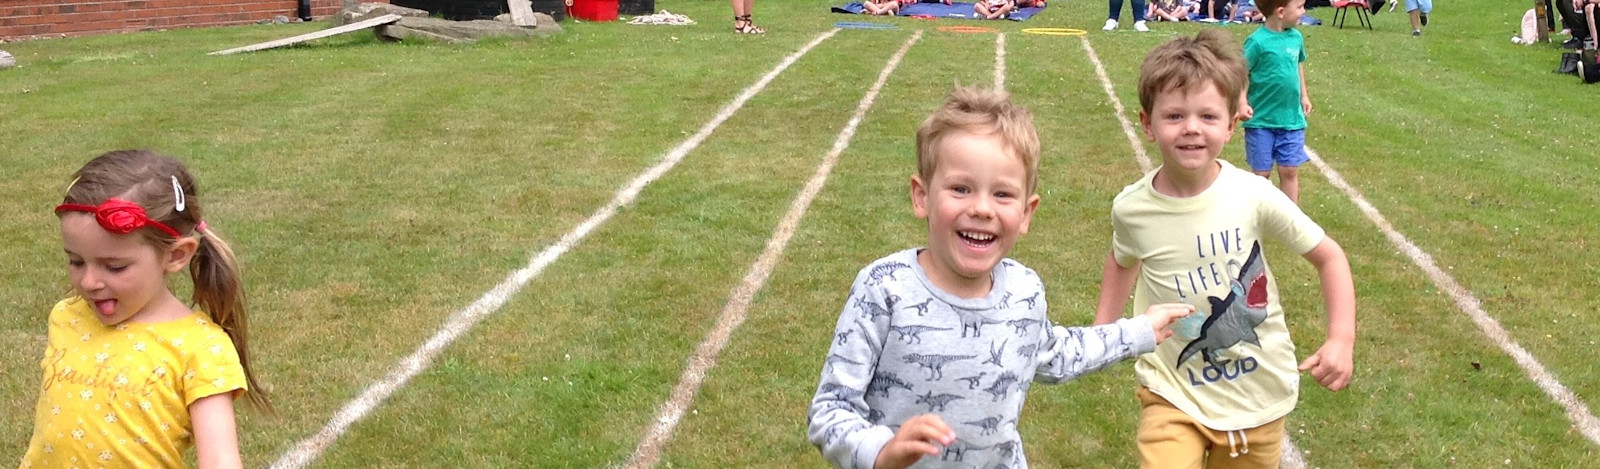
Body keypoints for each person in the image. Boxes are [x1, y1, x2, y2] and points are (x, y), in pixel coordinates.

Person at [806, 86, 1194, 469]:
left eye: (1003, 195)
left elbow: (1058, 353)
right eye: (960, 189)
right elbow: (831, 408)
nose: (981, 209)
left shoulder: (1024, 292)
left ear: (1027, 213)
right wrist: (881, 451)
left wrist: (1139, 330)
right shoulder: (884, 287)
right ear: (922, 196)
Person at [1093, 29, 1355, 468]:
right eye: (1174, 116)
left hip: (1259, 394)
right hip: (1171, 390)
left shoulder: (1253, 194)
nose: (1192, 128)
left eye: (1208, 116)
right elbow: (1122, 261)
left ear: (1232, 125)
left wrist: (1341, 338)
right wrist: (1102, 333)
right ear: (1147, 123)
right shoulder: (1132, 208)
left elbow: (1329, 256)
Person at [20, 150, 271, 469]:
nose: (89, 281)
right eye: (76, 261)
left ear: (176, 256)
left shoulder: (200, 348)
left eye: (114, 267)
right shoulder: (67, 316)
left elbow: (220, 458)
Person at [1238, 0, 1311, 204]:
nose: (1303, 12)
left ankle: (1291, 220)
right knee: (1261, 175)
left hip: (1291, 119)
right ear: (1280, 12)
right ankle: (1258, 216)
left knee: (1289, 170)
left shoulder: (1296, 38)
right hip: (1261, 120)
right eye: (1299, 7)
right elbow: (1241, 72)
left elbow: (1298, 66)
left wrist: (1304, 96)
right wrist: (1242, 102)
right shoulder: (1257, 42)